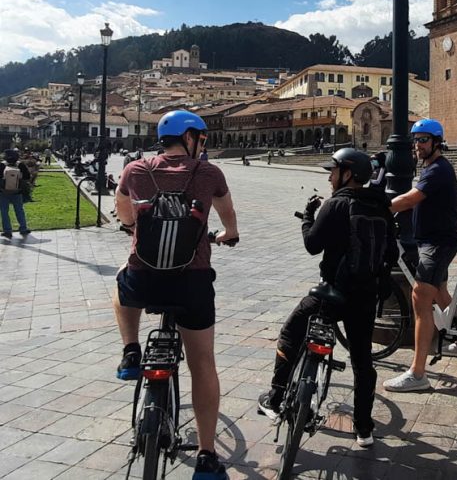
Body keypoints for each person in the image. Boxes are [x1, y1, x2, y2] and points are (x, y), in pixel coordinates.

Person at [113, 110, 239, 479]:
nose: (203, 144)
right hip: (192, 281)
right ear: (190, 137)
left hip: (145, 279)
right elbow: (228, 215)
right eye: (201, 138)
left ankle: (131, 352)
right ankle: (206, 454)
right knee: (202, 364)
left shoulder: (135, 169)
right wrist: (228, 233)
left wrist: (132, 226)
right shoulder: (209, 173)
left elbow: (123, 212)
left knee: (124, 276)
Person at [257, 148, 398, 447]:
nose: (330, 177)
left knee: (290, 332)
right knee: (362, 361)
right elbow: (392, 253)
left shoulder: (335, 204)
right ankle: (363, 429)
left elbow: (312, 245)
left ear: (347, 174)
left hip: (331, 294)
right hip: (365, 297)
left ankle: (275, 396)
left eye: (333, 172)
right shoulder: (381, 206)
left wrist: (308, 217)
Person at [383, 119, 457, 392]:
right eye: (415, 140)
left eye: (424, 139)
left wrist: (380, 209)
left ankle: (417, 374)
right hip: (436, 240)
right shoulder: (432, 167)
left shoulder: (437, 169)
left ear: (436, 142)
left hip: (436, 244)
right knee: (438, 291)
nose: (418, 145)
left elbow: (411, 198)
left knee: (420, 296)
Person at [0, 149, 31, 239]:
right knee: (19, 210)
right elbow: (27, 177)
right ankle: (23, 228)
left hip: (3, 192)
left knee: (4, 211)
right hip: (17, 192)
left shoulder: (2, 165)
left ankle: (7, 231)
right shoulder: (20, 165)